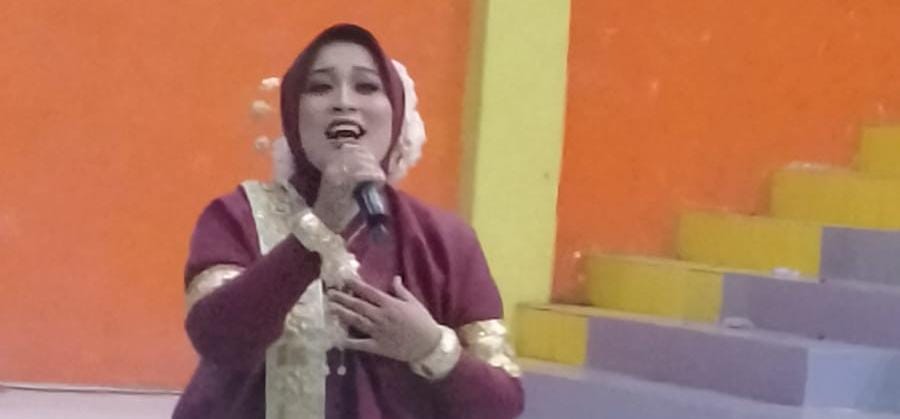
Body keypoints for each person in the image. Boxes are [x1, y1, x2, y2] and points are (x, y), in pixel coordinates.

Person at [172, 23, 525, 419]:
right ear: (293, 115)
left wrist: (429, 348)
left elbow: (503, 403)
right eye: (320, 87)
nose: (343, 102)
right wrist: (318, 228)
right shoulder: (238, 216)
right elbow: (219, 341)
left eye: (367, 87)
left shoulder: (445, 240)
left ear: (396, 113)